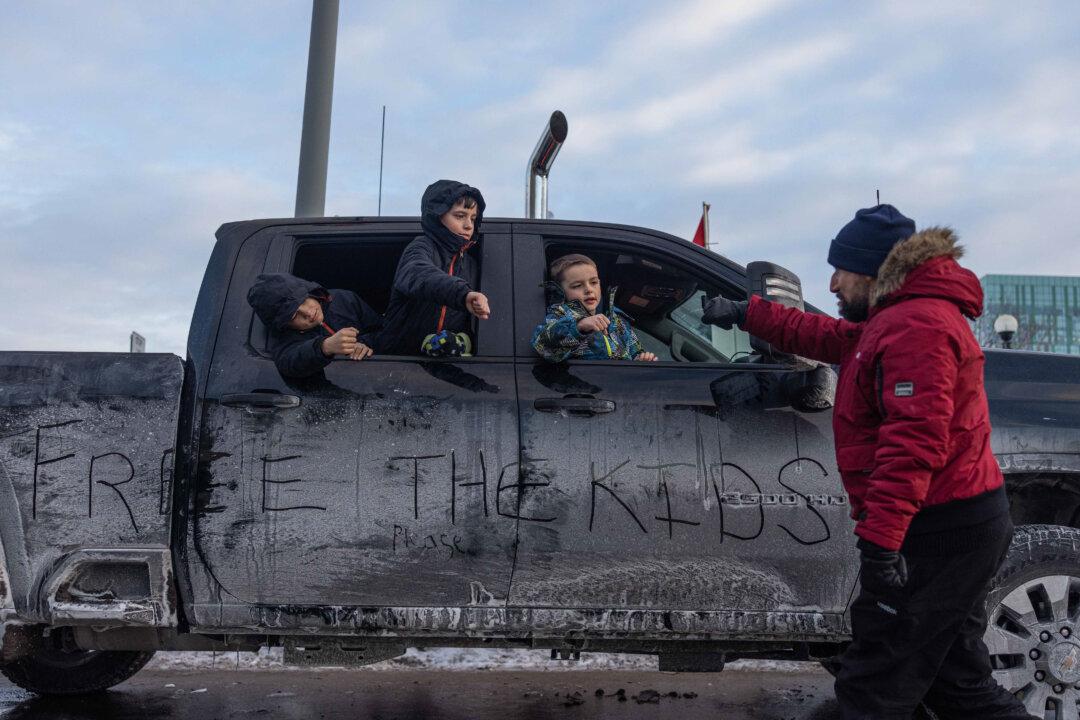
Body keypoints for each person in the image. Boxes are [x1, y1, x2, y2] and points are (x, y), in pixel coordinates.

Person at [702, 205, 1033, 719]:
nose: (832, 283)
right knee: (956, 686)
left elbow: (913, 444)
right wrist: (748, 313)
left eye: (842, 270)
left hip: (939, 532)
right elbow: (831, 338)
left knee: (873, 685)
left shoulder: (918, 326)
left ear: (876, 272)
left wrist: (881, 544)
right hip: (952, 524)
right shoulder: (894, 319)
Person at [378, 179, 490, 357]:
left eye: (473, 218)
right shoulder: (421, 247)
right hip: (397, 361)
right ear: (437, 217)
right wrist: (463, 294)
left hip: (441, 365)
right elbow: (417, 273)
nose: (469, 225)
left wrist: (461, 341)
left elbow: (472, 324)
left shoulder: (471, 265)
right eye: (460, 216)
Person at [247, 272, 382, 378]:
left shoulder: (344, 299)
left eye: (303, 300)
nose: (308, 313)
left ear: (309, 292)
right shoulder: (286, 338)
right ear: (285, 324)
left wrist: (363, 344)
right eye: (294, 315)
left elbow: (383, 333)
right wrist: (324, 347)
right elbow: (289, 361)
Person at [532, 253, 658, 362]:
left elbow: (634, 351)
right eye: (577, 285)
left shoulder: (616, 319)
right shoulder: (560, 315)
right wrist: (579, 326)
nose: (589, 289)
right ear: (561, 291)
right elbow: (542, 345)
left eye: (593, 282)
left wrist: (640, 359)